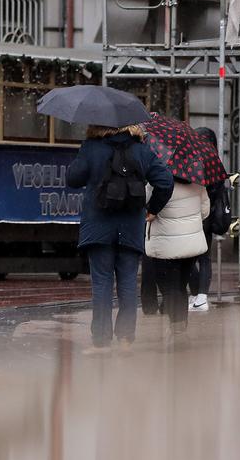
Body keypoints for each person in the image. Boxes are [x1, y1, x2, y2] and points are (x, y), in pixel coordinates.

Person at [66, 123, 174, 354]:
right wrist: (153, 209)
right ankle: (125, 340)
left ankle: (101, 342)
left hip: (99, 227)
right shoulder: (142, 150)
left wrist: (84, 157)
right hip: (131, 228)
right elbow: (165, 182)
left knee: (102, 284)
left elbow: (73, 179)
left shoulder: (91, 148)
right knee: (127, 283)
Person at [144, 178, 210, 337]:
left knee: (168, 286)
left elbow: (147, 205)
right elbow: (205, 211)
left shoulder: (157, 181)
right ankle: (180, 325)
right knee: (181, 284)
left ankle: (176, 324)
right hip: (191, 243)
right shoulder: (197, 182)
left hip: (165, 243)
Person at [189, 126, 230, 312]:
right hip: (208, 217)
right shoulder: (216, 163)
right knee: (204, 257)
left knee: (188, 256)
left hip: (192, 215)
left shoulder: (191, 162)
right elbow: (218, 189)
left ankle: (196, 294)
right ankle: (202, 296)